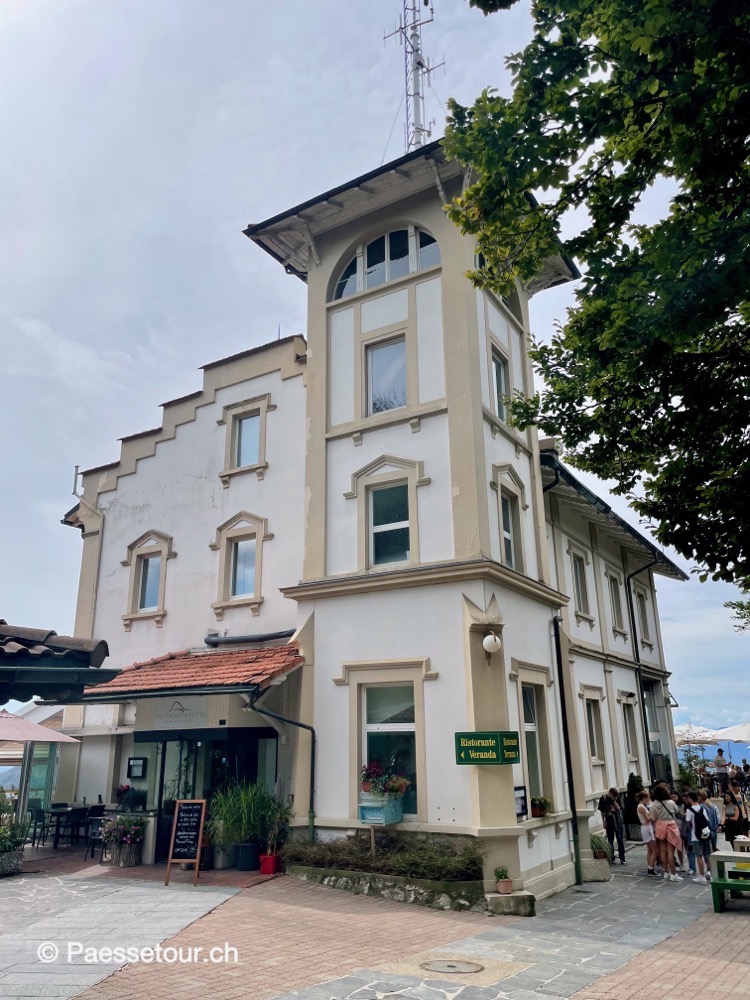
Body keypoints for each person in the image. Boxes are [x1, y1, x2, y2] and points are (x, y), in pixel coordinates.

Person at [650, 785, 682, 881]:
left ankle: (666, 872)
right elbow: (677, 810)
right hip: (671, 826)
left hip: (660, 826)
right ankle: (673, 874)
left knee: (662, 851)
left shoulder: (654, 804)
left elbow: (653, 818)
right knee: (670, 851)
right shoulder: (670, 802)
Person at [685, 791, 711, 884]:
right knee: (707, 854)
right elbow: (707, 820)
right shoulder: (702, 808)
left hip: (696, 835)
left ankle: (701, 876)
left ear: (690, 799)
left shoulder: (689, 810)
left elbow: (688, 823)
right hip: (705, 834)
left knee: (698, 855)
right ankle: (711, 873)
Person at [598, 787, 626, 864]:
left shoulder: (616, 798)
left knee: (620, 839)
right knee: (610, 840)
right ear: (610, 793)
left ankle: (622, 858)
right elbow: (602, 811)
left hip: (617, 821)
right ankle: (611, 857)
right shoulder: (603, 798)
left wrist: (614, 801)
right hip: (609, 821)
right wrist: (603, 821)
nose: (614, 797)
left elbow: (619, 808)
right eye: (613, 795)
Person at [637, 790, 658, 875]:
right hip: (647, 828)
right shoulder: (641, 807)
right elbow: (648, 819)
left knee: (650, 849)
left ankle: (650, 865)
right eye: (647, 798)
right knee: (655, 850)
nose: (648, 799)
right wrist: (652, 813)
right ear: (644, 798)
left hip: (647, 827)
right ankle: (651, 868)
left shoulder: (642, 806)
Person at [698, 788, 720, 853]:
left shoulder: (702, 807)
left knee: (707, 852)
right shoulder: (712, 805)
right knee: (713, 850)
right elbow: (717, 818)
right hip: (714, 830)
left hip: (707, 831)